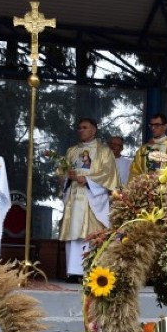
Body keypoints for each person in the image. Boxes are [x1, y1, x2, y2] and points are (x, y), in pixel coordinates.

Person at [58, 117, 120, 280]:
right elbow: (62, 173)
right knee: (73, 232)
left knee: (90, 233)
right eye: (79, 127)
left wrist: (87, 180)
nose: (81, 130)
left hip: (92, 198)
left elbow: (110, 174)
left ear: (94, 130)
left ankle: (89, 271)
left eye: (85, 127)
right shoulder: (72, 151)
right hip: (74, 197)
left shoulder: (104, 151)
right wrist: (67, 177)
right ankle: (73, 271)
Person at [129, 113, 167, 180]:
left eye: (157, 125)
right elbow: (134, 172)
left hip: (166, 189)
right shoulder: (143, 149)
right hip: (144, 189)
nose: (153, 128)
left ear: (165, 126)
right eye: (151, 125)